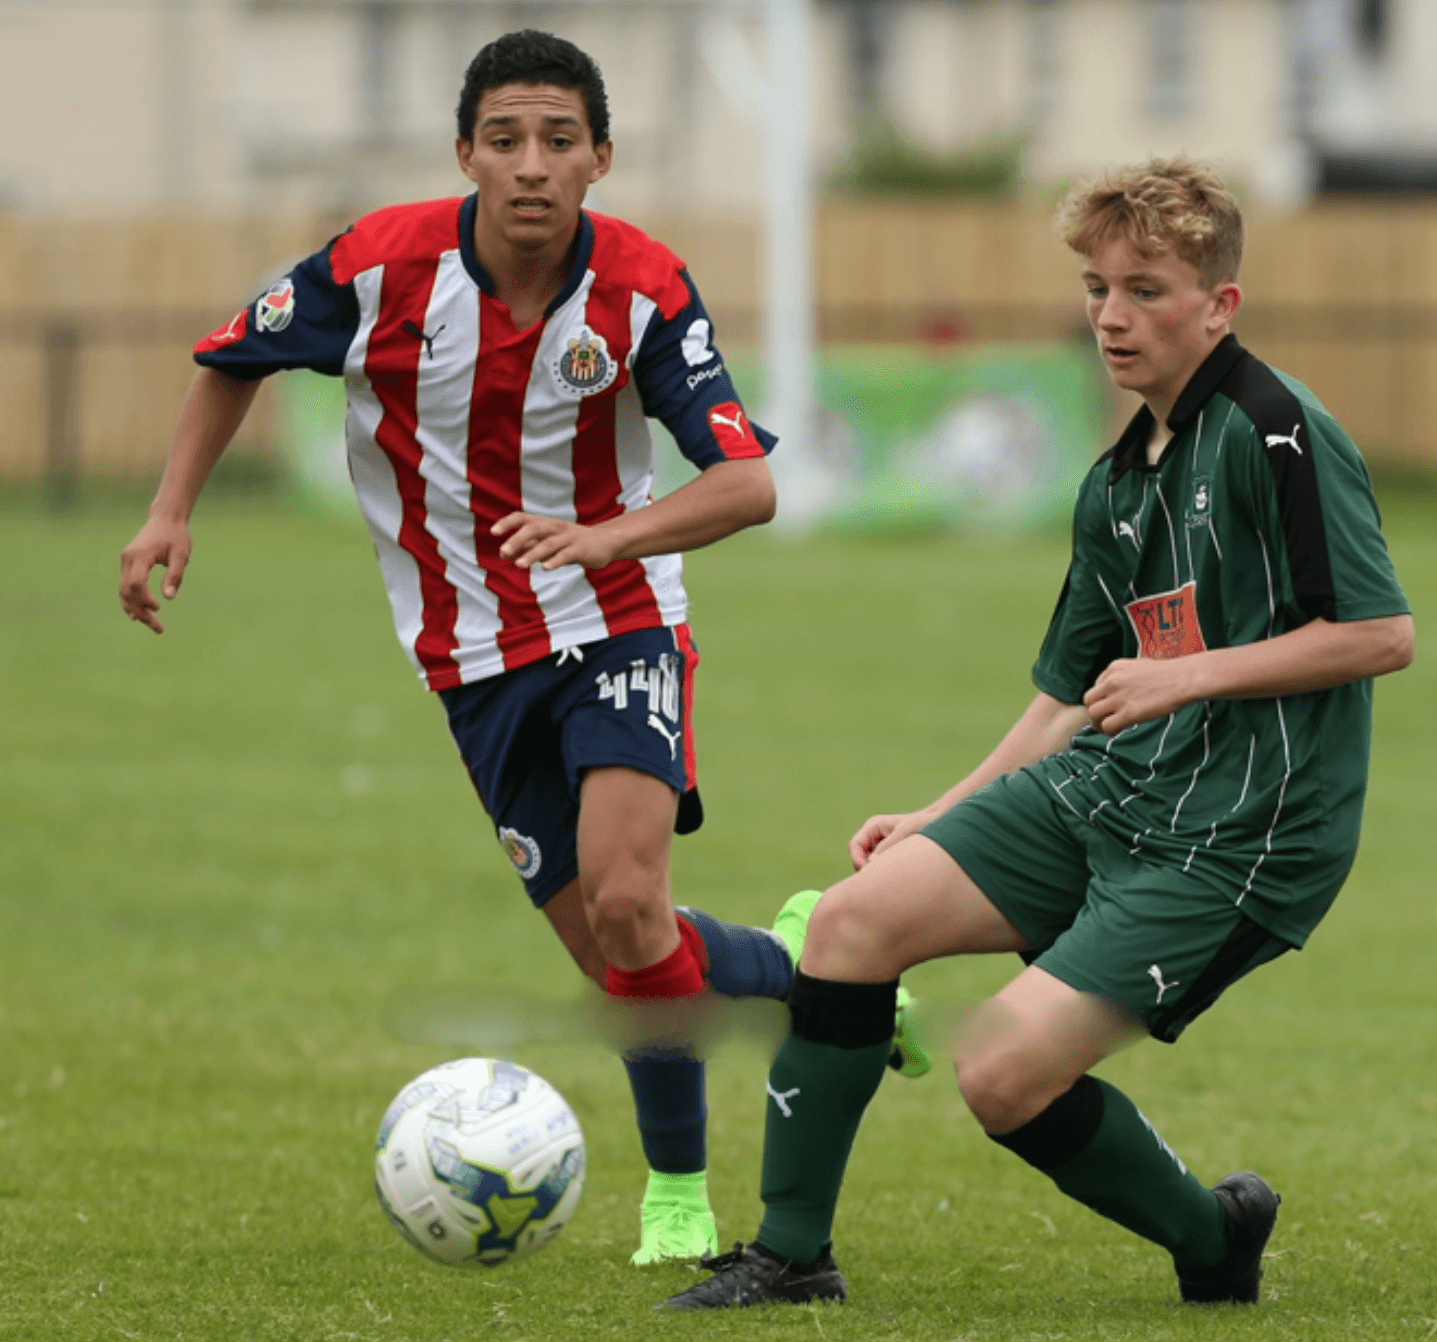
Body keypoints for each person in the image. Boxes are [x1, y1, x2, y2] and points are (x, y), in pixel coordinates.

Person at [116, 28, 877, 1266]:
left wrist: (604, 538)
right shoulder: (378, 266)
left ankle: (676, 1200)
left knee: (632, 900)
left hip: (618, 615)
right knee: (624, 948)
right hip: (467, 655)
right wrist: (168, 512)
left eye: (559, 140)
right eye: (507, 139)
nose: (532, 164)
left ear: (601, 160)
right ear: (463, 151)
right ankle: (815, 965)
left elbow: (747, 486)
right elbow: (234, 358)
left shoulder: (641, 287)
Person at [661, 155, 1415, 1311]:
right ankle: (791, 1254)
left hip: (1239, 836)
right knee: (851, 923)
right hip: (1107, 791)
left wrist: (1193, 678)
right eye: (1095, 287)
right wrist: (938, 813)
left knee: (1000, 1072)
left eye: (1146, 289)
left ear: (1220, 304)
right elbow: (1065, 695)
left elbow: (1379, 633)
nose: (1112, 315)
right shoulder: (1115, 479)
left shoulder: (1276, 434)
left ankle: (1212, 1237)